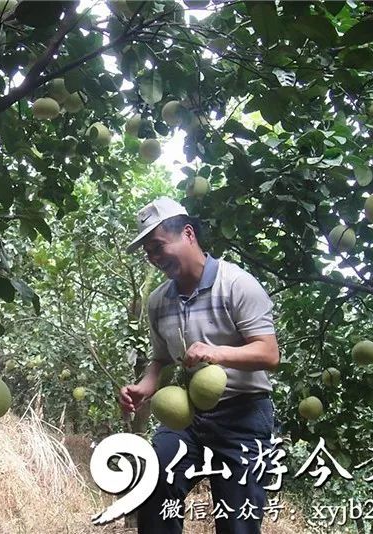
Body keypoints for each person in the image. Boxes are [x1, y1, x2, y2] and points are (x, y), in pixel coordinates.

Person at [118, 196, 280, 534]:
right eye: (149, 252)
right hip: (187, 416)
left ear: (188, 234)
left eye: (158, 247)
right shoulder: (159, 300)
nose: (154, 258)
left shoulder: (236, 284)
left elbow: (268, 354)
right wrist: (144, 388)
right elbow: (161, 359)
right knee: (153, 480)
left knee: (238, 521)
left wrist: (216, 353)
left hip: (242, 414)